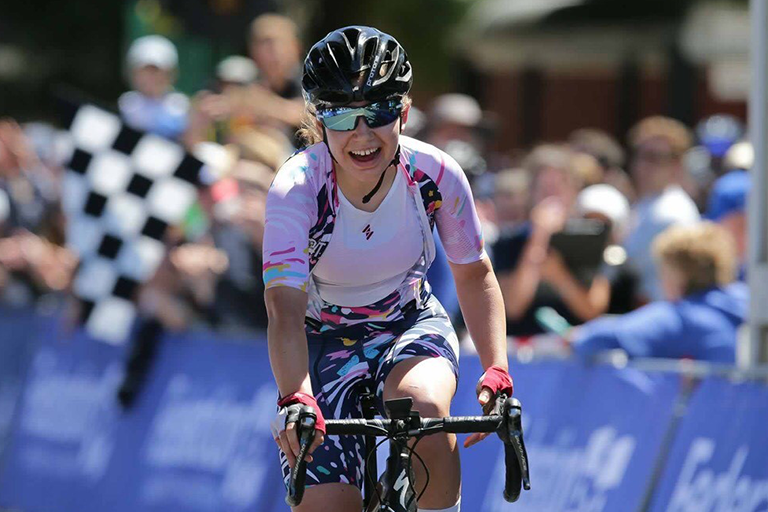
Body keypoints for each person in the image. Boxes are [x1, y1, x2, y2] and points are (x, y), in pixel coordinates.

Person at [264, 26, 511, 512]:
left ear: (404, 110)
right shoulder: (297, 188)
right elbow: (283, 307)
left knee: (423, 410)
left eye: (377, 112)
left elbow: (474, 274)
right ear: (319, 118)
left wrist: (497, 369)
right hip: (322, 338)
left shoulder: (435, 173)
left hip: (408, 321)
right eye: (341, 115)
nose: (362, 134)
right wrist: (296, 396)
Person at [570, 222, 747, 363]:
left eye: (663, 271)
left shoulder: (682, 316)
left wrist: (574, 337)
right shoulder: (747, 304)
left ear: (677, 274)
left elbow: (600, 339)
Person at [494, 144, 611, 338]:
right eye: (544, 189)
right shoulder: (508, 242)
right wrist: (539, 238)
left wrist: (558, 276)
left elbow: (592, 310)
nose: (551, 197)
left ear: (573, 191)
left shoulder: (592, 238)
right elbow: (512, 307)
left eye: (557, 189)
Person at [623, 116, 700, 303]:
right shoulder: (645, 204)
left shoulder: (672, 213)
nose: (643, 164)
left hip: (662, 315)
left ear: (676, 164)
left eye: (654, 157)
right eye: (640, 154)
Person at [118, 35, 189, 140]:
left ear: (171, 73)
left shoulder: (182, 107)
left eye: (156, 71)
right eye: (145, 71)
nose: (150, 77)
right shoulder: (125, 105)